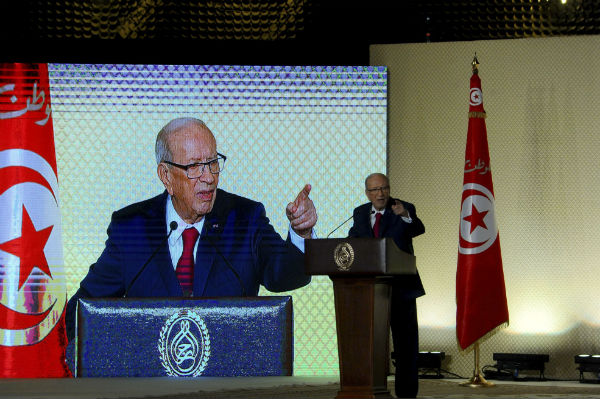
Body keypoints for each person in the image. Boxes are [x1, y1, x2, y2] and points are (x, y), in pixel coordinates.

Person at [65, 117, 317, 341]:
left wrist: (301, 233)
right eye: (194, 167)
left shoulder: (244, 219)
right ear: (166, 176)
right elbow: (82, 312)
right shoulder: (131, 229)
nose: (209, 177)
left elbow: (285, 275)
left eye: (213, 162)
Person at [348, 172, 425, 399]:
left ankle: (407, 394)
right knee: (370, 344)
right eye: (375, 190)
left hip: (402, 287)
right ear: (367, 193)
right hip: (371, 289)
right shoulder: (360, 213)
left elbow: (418, 229)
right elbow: (355, 238)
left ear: (389, 189)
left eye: (384, 188)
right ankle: (369, 389)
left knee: (405, 345)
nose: (380, 194)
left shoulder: (403, 207)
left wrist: (406, 216)